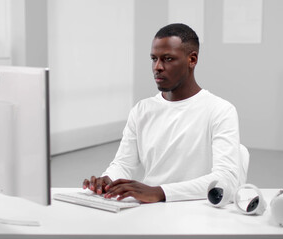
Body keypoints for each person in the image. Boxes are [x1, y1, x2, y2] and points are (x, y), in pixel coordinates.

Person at [83, 23, 244, 203]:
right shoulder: (141, 110)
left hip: (197, 211)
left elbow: (226, 180)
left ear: (192, 59)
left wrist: (159, 192)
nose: (157, 67)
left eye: (168, 59)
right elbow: (123, 164)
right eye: (154, 58)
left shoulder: (220, 110)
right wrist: (108, 179)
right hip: (150, 210)